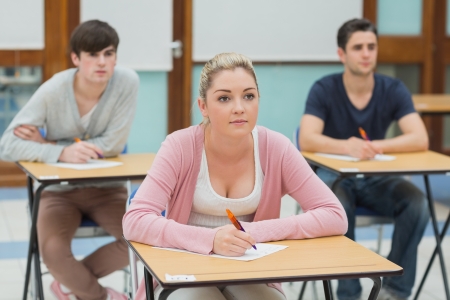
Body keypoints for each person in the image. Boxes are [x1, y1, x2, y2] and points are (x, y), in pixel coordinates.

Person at [123, 52, 348, 300]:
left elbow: (334, 215)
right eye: (224, 98)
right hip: (185, 272)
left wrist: (254, 232)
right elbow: (135, 220)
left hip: (250, 270)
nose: (239, 108)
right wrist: (211, 239)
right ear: (203, 107)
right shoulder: (179, 146)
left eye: (249, 96)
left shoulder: (276, 147)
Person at [0, 20, 139, 300]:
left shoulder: (126, 82)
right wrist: (60, 153)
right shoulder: (54, 90)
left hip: (106, 189)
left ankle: (70, 283)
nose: (102, 62)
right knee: (51, 249)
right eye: (92, 55)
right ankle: (99, 296)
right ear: (76, 58)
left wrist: (49, 144)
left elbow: (113, 144)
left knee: (141, 240)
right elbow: (7, 144)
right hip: (58, 191)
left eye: (108, 54)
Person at [299, 18, 430, 300]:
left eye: (371, 46)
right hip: (335, 177)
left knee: (417, 203)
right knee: (337, 209)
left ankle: (393, 290)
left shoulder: (392, 89)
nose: (366, 53)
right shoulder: (324, 88)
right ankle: (349, 292)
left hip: (375, 178)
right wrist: (348, 147)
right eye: (358, 47)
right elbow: (306, 138)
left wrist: (376, 146)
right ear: (342, 54)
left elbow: (420, 138)